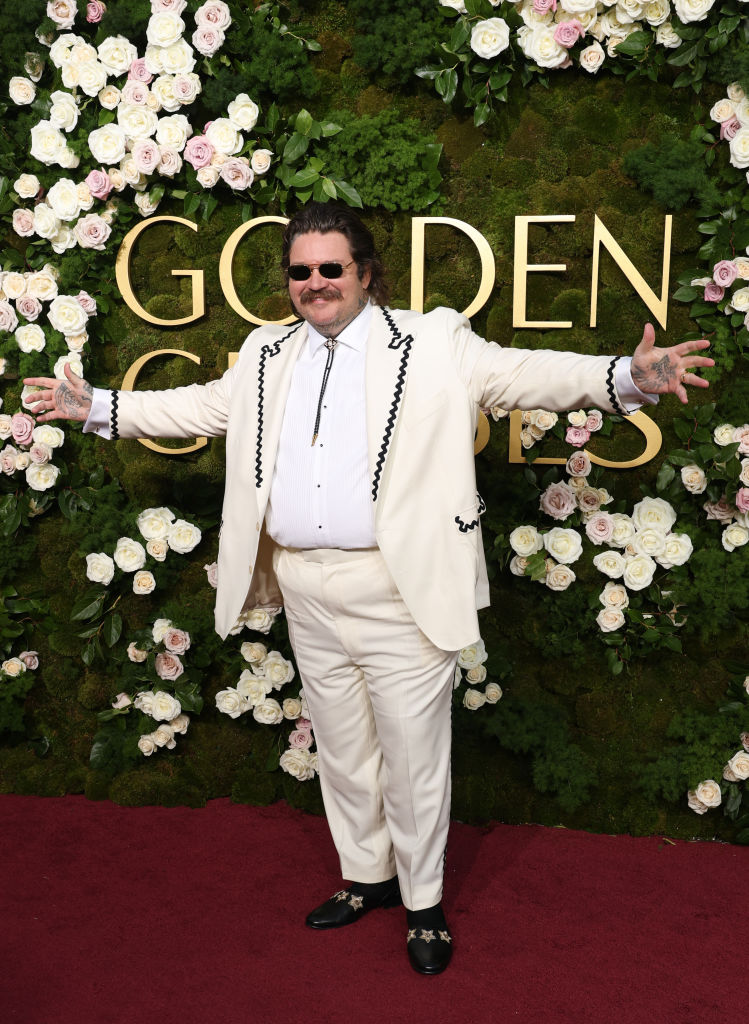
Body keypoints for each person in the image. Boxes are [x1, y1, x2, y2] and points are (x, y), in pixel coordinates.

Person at [25, 202, 713, 975]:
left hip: (397, 588)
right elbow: (198, 406)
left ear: (365, 273)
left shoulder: (432, 341)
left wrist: (625, 377)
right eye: (300, 270)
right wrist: (95, 407)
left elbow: (527, 374)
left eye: (331, 268)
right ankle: (367, 877)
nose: (314, 283)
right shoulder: (265, 352)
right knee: (343, 749)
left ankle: (423, 904)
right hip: (304, 587)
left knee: (413, 758)